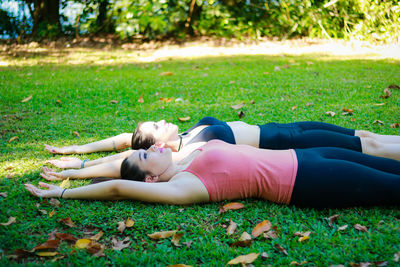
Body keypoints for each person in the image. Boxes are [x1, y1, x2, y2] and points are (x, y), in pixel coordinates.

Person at [27, 140, 400, 208]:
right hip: (307, 181)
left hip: (305, 154)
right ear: (151, 179)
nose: (154, 146)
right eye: (147, 154)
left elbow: (121, 161)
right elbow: (118, 187)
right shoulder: (184, 186)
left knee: (391, 167)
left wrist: (76, 169)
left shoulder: (186, 155)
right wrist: (59, 193)